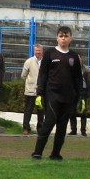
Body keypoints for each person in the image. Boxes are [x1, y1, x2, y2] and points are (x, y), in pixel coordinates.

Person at [30, 26, 84, 160]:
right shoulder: (49, 53)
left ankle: (55, 153)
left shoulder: (74, 57)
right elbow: (43, 74)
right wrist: (39, 93)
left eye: (66, 36)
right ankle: (37, 152)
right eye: (61, 36)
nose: (63, 38)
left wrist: (80, 97)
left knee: (62, 126)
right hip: (52, 94)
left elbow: (78, 78)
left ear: (70, 38)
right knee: (49, 122)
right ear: (57, 38)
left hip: (68, 96)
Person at [20, 42, 42, 134]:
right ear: (34, 51)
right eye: (36, 50)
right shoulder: (29, 61)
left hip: (41, 91)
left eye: (39, 50)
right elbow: (23, 75)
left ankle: (40, 129)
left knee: (41, 110)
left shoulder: (45, 62)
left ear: (42, 51)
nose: (38, 52)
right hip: (30, 90)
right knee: (28, 109)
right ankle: (26, 128)